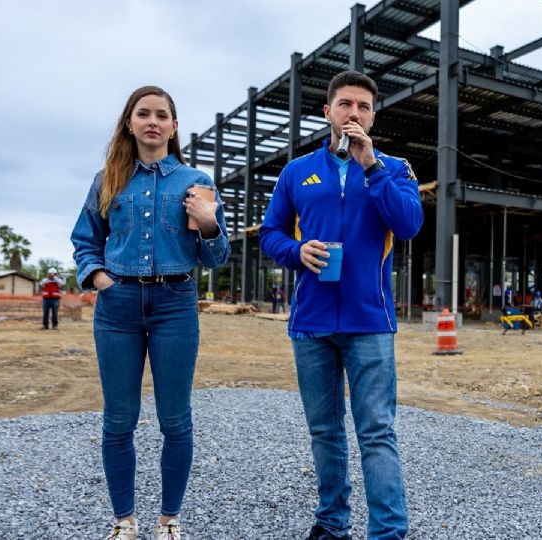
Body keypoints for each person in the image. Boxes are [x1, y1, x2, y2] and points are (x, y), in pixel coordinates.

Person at [259, 70, 422, 540]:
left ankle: (387, 532)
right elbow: (270, 233)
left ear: (373, 116)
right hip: (311, 322)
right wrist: (297, 251)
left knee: (376, 433)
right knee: (325, 432)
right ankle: (332, 524)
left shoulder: (395, 168)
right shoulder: (296, 172)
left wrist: (371, 166)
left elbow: (408, 224)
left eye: (364, 106)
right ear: (327, 111)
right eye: (346, 104)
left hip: (370, 322)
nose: (354, 113)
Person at [71, 85, 230, 540]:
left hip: (175, 306)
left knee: (175, 419)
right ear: (130, 122)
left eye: (162, 115)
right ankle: (124, 521)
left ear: (174, 126)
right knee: (118, 419)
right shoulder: (108, 181)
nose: (153, 122)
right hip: (117, 306)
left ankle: (169, 520)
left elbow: (216, 258)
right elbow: (85, 239)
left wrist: (210, 221)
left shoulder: (196, 182)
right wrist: (99, 277)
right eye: (144, 114)